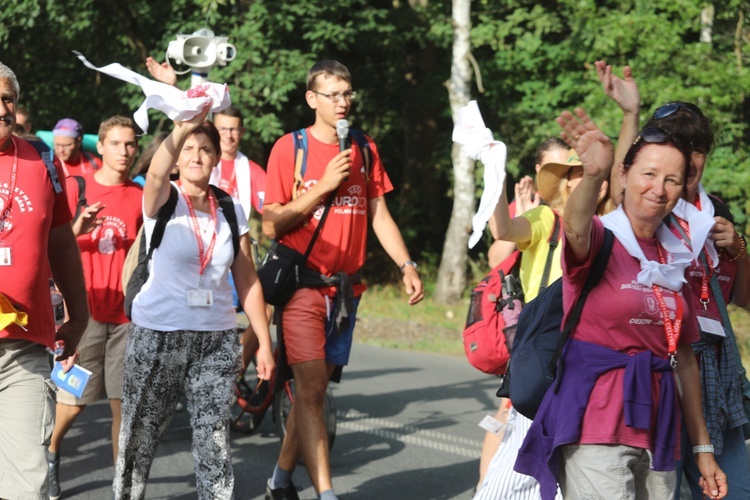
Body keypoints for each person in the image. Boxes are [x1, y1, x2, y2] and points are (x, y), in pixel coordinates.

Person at [515, 109, 727, 500]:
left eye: (672, 180)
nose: (658, 188)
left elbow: (685, 358)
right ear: (625, 176)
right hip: (595, 423)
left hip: (660, 430)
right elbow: (576, 225)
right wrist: (593, 175)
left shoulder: (676, 255)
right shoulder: (601, 238)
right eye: (648, 174)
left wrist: (703, 449)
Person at [262, 59, 424, 500]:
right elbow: (270, 225)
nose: (342, 102)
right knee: (311, 390)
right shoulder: (288, 148)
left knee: (310, 394)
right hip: (301, 286)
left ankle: (279, 479)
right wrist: (320, 187)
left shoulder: (364, 148)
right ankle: (327, 493)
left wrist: (407, 265)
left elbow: (379, 215)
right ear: (312, 99)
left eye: (347, 93)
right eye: (332, 94)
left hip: (346, 291)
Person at [597, 62, 750, 498]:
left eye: (697, 148)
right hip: (657, 361)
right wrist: (630, 115)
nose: (690, 157)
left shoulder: (716, 211)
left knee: (733, 489)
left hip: (713, 367)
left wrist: (738, 248)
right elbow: (618, 182)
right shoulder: (646, 208)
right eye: (677, 146)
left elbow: (744, 299)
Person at [113, 105, 274, 500]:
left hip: (216, 340)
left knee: (214, 438)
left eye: (204, 149)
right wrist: (181, 126)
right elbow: (153, 173)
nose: (196, 156)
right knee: (140, 435)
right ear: (176, 157)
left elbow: (246, 275)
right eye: (188, 149)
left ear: (217, 157)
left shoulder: (230, 208)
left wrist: (264, 340)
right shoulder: (163, 199)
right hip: (159, 335)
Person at [475, 142, 611, 500]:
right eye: (579, 173)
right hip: (542, 349)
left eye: (598, 173)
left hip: (588, 353)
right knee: (514, 428)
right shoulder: (546, 219)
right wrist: (496, 175)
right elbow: (502, 231)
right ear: (566, 184)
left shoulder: (615, 230)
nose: (591, 180)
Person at [0, 61, 88, 499]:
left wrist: (79, 313)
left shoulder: (41, 158)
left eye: (6, 99)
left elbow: (61, 244)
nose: (1, 108)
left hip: (23, 348)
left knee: (25, 485)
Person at [47, 115, 143, 499]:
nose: (124, 151)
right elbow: (52, 247)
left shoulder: (139, 196)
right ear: (99, 146)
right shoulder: (75, 187)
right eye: (116, 143)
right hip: (82, 317)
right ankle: (51, 452)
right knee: (73, 405)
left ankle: (123, 489)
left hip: (126, 318)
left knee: (123, 409)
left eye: (131, 144)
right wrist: (77, 230)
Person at [475, 137, 570, 492]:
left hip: (573, 336)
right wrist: (501, 185)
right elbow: (498, 250)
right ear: (540, 172)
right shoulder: (544, 215)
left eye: (571, 170)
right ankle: (488, 486)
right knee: (509, 412)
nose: (564, 180)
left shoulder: (595, 218)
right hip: (535, 334)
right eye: (555, 171)